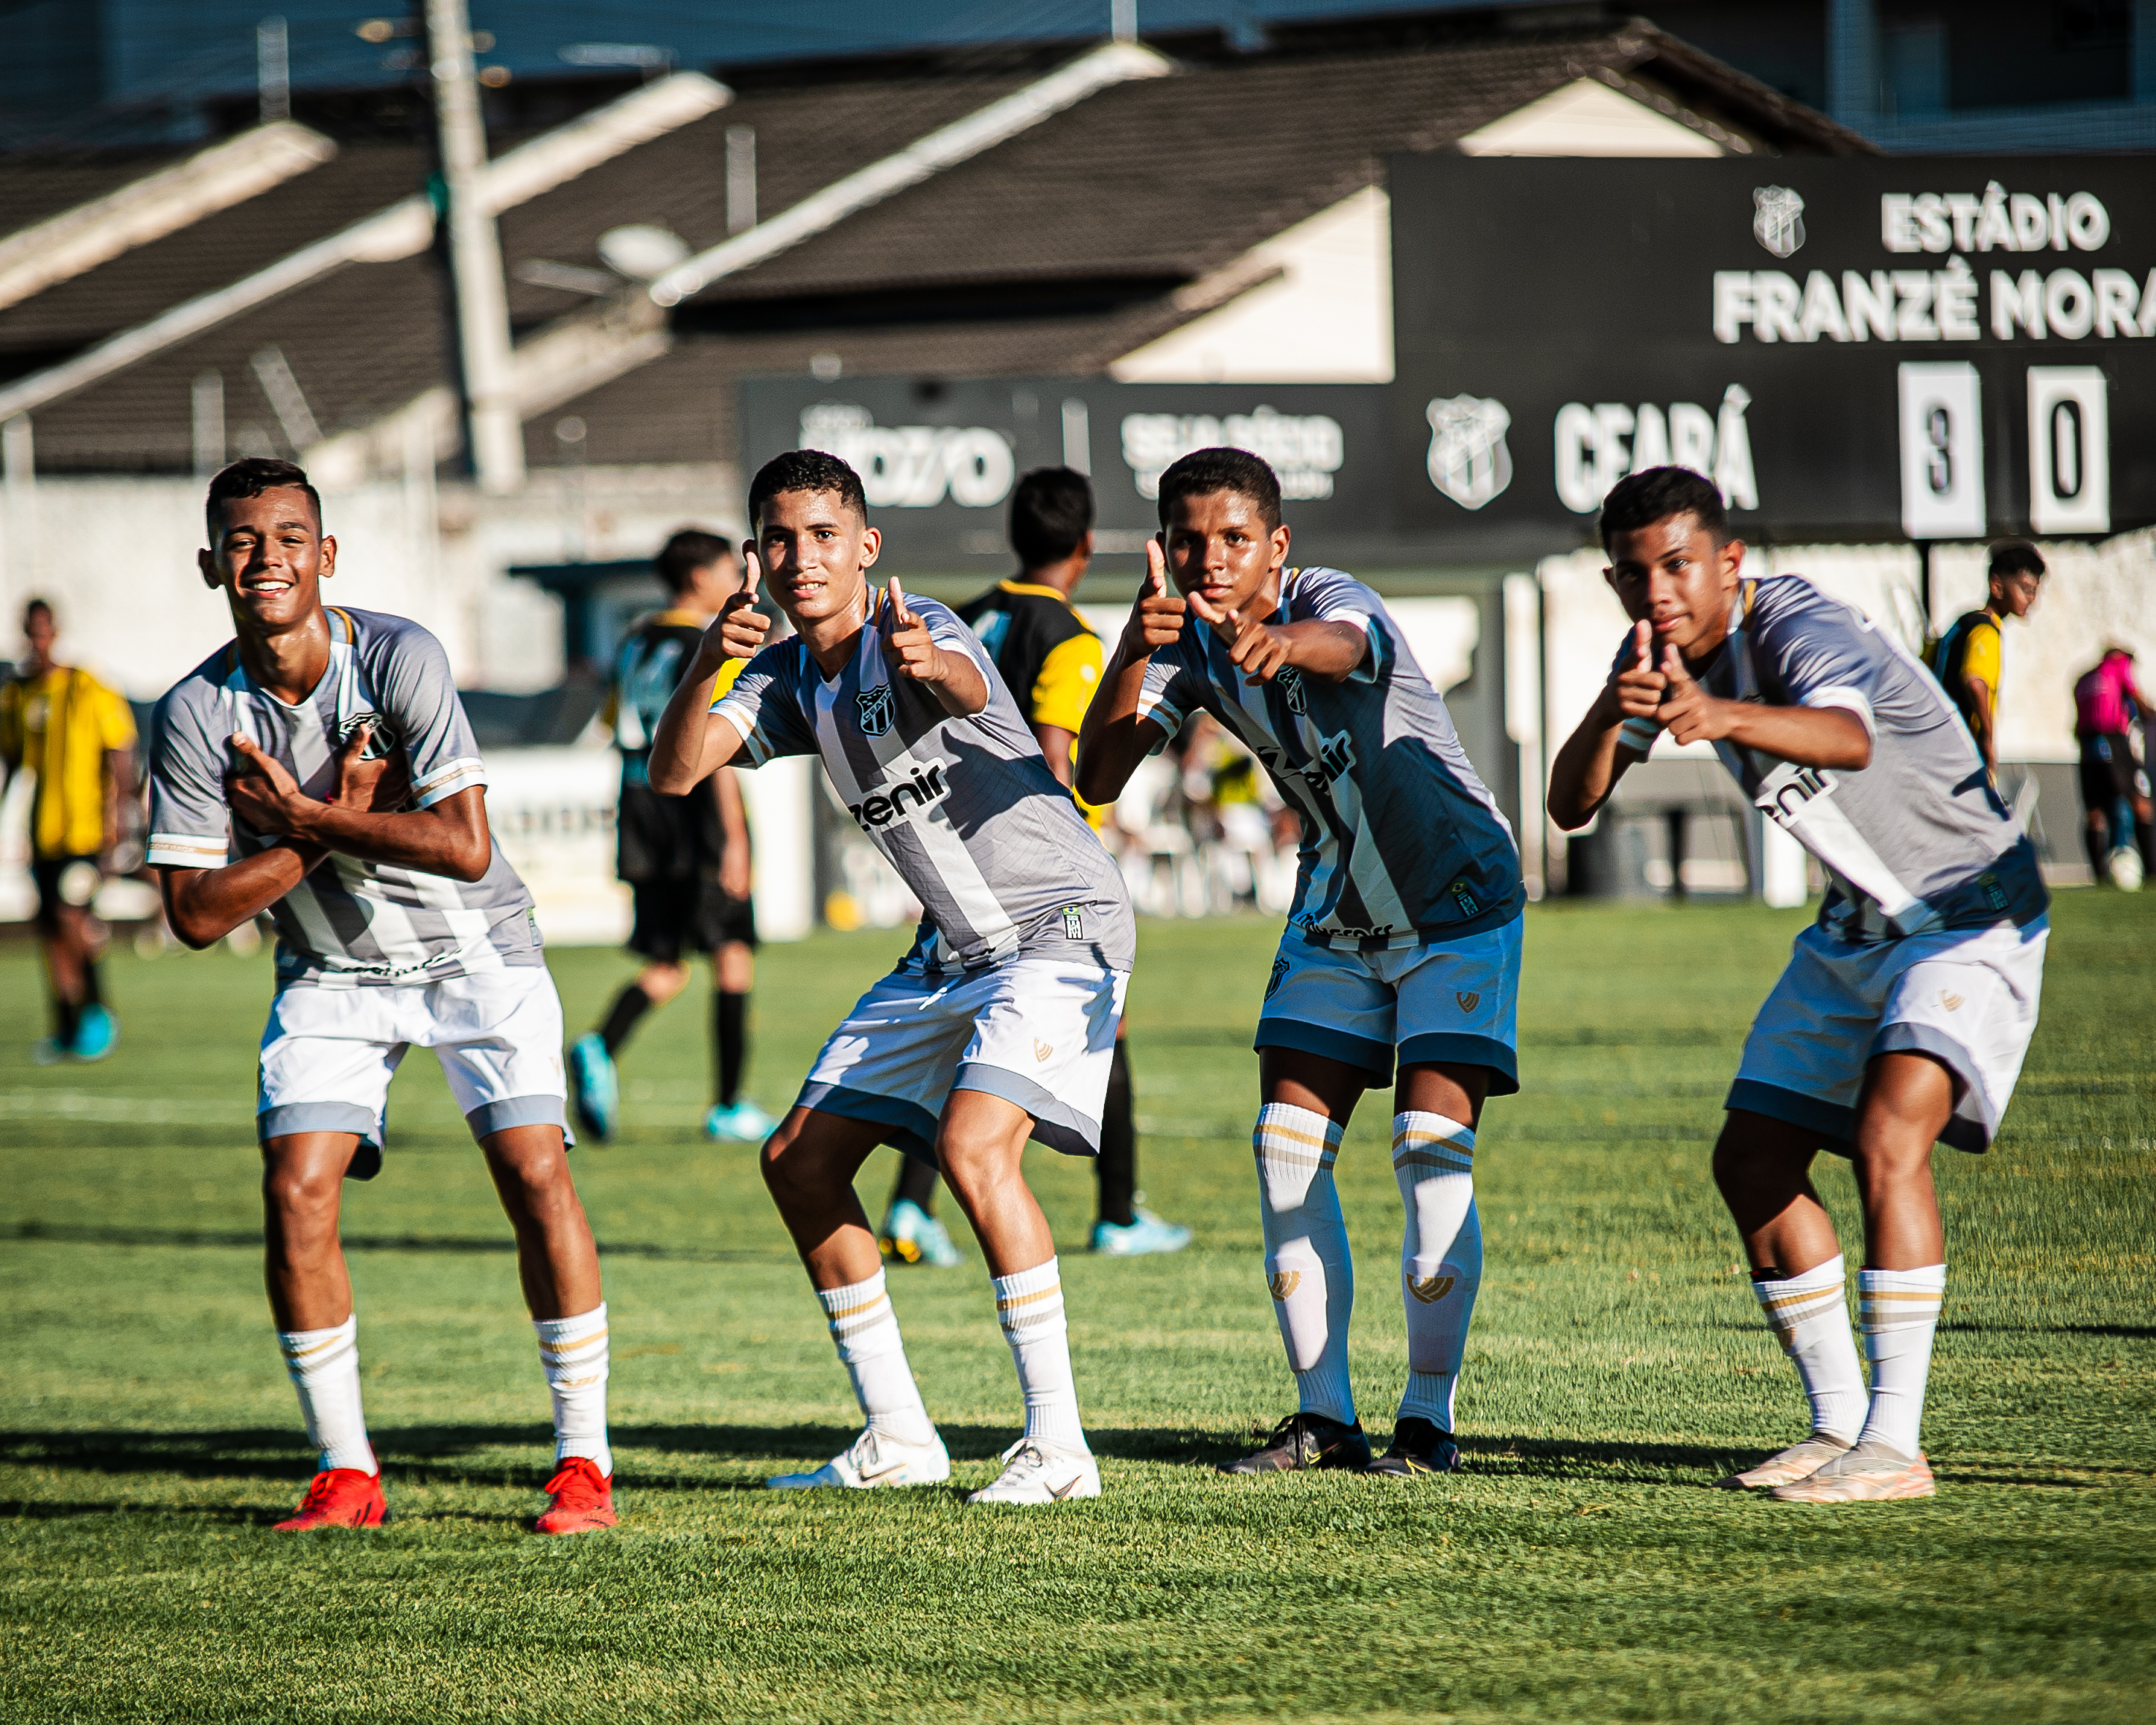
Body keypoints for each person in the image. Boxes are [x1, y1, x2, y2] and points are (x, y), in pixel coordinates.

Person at [1547, 466, 2050, 1505]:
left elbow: (1845, 737)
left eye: (1677, 565)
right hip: (1855, 927)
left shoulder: (1793, 624)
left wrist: (1719, 713)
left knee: (1886, 1137)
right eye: (1634, 574)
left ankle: (1894, 1446)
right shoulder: (1652, 655)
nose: (1657, 591)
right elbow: (1569, 804)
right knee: (1752, 1158)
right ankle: (1835, 1427)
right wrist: (1610, 705)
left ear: (1726, 561)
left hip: (1966, 909)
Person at [647, 449, 1134, 1505]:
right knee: (797, 1162)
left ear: (866, 547)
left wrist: (931, 666)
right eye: (779, 539)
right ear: (755, 555)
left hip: (1057, 926)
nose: (801, 558)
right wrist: (704, 665)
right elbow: (674, 771)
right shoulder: (782, 676)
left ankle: (1060, 1451)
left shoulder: (917, 626)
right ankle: (899, 1437)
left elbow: (963, 679)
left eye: (824, 536)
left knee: (971, 1148)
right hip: (949, 953)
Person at [145, 458, 617, 1536]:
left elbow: (465, 846)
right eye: (243, 541)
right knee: (295, 1190)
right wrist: (326, 826)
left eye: (288, 538)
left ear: (326, 554)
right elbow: (195, 915)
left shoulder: (400, 657)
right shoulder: (194, 711)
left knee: (535, 1173)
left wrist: (307, 817)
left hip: (475, 954)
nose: (267, 559)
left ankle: (583, 1463)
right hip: (330, 972)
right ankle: (347, 1472)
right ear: (212, 563)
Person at [1075, 447, 1525, 1481]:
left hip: (1454, 897)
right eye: (1188, 539)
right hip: (1334, 905)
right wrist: (1129, 649)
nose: (1210, 557)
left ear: (1276, 544)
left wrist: (1277, 641)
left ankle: (1427, 1423)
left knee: (1426, 1151)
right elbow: (1097, 775)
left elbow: (1344, 643)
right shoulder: (1182, 642)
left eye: (1234, 538)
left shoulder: (1326, 598)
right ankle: (1324, 1419)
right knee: (1283, 1152)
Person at [877, 467, 1189, 1268]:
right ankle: (1117, 1214)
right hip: (1037, 876)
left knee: (958, 1023)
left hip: (954, 853)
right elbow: (1056, 760)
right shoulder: (1070, 636)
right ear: (1084, 545)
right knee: (1105, 1023)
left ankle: (909, 1208)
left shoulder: (965, 613)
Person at [568, 529, 774, 1145]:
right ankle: (728, 1106)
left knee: (668, 961)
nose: (735, 582)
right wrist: (734, 838)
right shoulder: (709, 643)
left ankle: (599, 1043)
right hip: (696, 813)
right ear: (700, 578)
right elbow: (711, 744)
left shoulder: (634, 641)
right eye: (727, 570)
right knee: (731, 954)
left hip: (641, 810)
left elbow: (617, 725)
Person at [0, 598, 137, 1063]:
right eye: (31, 630)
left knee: (70, 916)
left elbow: (120, 753)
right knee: (50, 928)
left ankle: (96, 1010)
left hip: (87, 834)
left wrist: (120, 823)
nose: (38, 639)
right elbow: (12, 760)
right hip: (44, 834)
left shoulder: (87, 686)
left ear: (56, 631)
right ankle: (65, 1025)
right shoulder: (20, 695)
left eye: (44, 630)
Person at [1931, 540, 2043, 778]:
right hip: (1963, 757)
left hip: (1939, 749)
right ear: (1997, 586)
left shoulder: (1963, 623)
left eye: (2035, 590)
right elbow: (1974, 680)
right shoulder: (1987, 631)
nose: (2032, 598)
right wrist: (1987, 737)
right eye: (2026, 588)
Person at [2073, 644, 2155, 888]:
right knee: (2140, 802)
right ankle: (2152, 872)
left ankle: (2099, 876)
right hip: (2113, 741)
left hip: (2087, 746)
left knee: (2095, 811)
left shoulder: (2084, 679)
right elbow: (2136, 695)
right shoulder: (2118, 666)